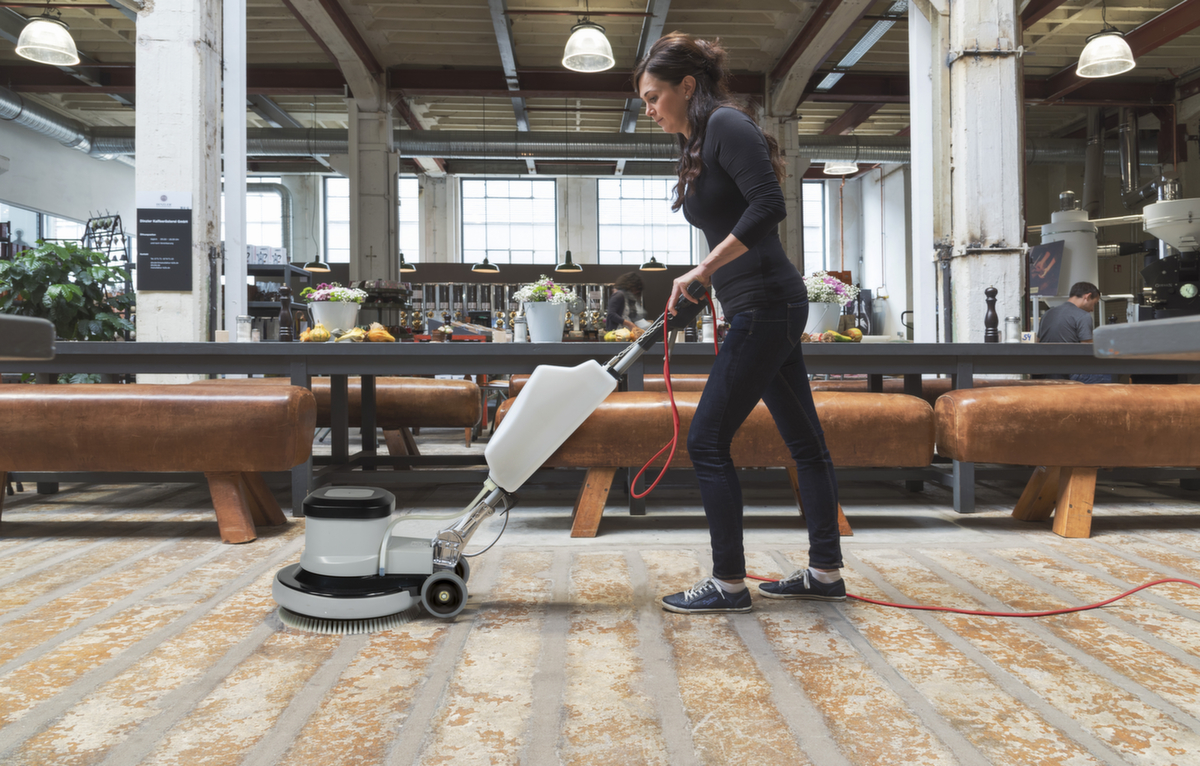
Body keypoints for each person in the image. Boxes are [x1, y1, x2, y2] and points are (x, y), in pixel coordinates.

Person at [635, 33, 844, 614]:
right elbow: (732, 232)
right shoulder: (698, 142)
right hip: (756, 303)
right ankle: (826, 573)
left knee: (706, 442)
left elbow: (769, 205)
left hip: (766, 305)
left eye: (654, 98)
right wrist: (702, 288)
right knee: (805, 443)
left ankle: (728, 583)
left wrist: (703, 269)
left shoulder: (726, 125)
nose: (648, 110)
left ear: (687, 87)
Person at [1036, 281, 1110, 384]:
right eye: (1094, 304)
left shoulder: (1047, 314)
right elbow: (1087, 349)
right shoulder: (1083, 315)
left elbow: (1038, 341)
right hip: (1068, 374)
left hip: (1044, 373)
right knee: (1109, 372)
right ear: (1087, 297)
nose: (1092, 309)